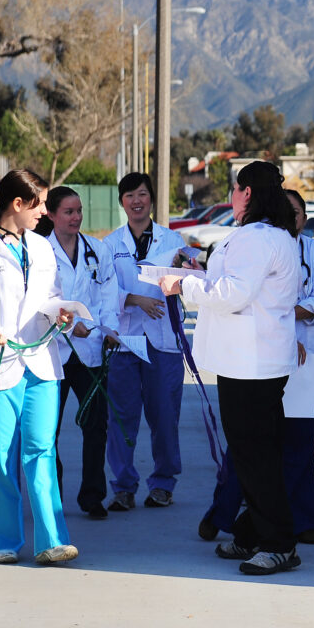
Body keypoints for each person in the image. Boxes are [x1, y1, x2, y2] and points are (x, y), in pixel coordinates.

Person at [159, 161, 303, 576]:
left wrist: (182, 285)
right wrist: (199, 275)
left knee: (254, 455)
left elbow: (234, 294)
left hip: (250, 362)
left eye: (236, 190)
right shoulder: (269, 236)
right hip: (253, 360)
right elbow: (237, 286)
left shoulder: (256, 238)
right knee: (251, 453)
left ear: (248, 194)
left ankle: (278, 544)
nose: (232, 198)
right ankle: (254, 532)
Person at [0, 169, 78, 565]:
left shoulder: (42, 249)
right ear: (17, 205)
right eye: (39, 203)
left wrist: (62, 315)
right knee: (1, 457)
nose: (45, 212)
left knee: (41, 450)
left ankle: (51, 540)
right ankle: (3, 540)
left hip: (40, 364)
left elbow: (52, 295)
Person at [196, 188, 314, 546]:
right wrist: (284, 323)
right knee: (249, 444)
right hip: (265, 354)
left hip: (303, 358)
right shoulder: (259, 243)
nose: (292, 218)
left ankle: (304, 521)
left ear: (304, 218)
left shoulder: (313, 251)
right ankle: (222, 515)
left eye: (298, 213)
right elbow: (251, 298)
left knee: (298, 443)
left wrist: (284, 318)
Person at [104, 172, 186, 510]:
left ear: (152, 199)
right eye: (129, 196)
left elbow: (188, 285)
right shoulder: (109, 245)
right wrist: (136, 300)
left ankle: (163, 483)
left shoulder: (172, 241)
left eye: (142, 194)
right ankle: (123, 486)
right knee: (121, 417)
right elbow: (105, 291)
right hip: (125, 342)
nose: (136, 201)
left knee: (164, 415)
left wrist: (183, 273)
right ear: (121, 202)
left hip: (163, 341)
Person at [39, 187, 120, 520]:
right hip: (52, 352)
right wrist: (71, 328)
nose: (76, 218)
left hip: (90, 352)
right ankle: (51, 496)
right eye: (68, 212)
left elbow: (108, 296)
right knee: (47, 430)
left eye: (79, 211)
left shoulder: (96, 250)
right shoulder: (40, 252)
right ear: (52, 215)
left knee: (96, 426)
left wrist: (108, 330)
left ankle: (92, 496)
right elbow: (39, 302)